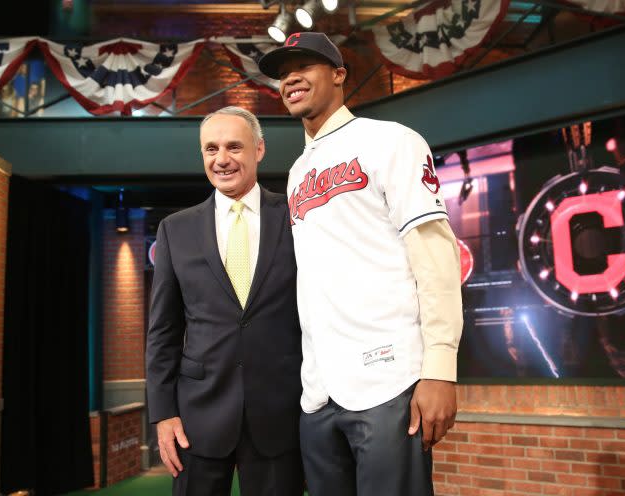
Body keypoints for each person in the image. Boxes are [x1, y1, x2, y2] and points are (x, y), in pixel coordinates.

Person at [258, 33, 463, 495]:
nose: (291, 77)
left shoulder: (391, 141)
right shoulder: (296, 174)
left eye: (305, 65)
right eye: (283, 72)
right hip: (319, 390)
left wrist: (440, 368)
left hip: (388, 378)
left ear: (338, 75)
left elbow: (435, 257)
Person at [145, 106, 304, 496]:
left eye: (234, 146)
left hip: (280, 413)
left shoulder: (298, 217)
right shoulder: (175, 230)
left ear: (259, 150)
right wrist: (163, 413)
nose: (222, 159)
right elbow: (163, 332)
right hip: (198, 416)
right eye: (211, 149)